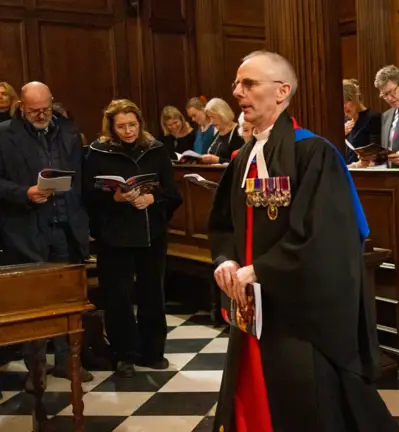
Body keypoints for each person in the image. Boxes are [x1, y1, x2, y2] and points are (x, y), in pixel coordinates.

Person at [209, 50, 399, 432]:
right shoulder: (244, 156)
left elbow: (325, 236)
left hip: (298, 314)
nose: (237, 92)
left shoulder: (313, 152)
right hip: (252, 306)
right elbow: (224, 224)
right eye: (236, 84)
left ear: (282, 92)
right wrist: (227, 261)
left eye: (248, 84)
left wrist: (261, 270)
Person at [0, 81, 93, 387]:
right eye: (34, 110)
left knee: (67, 300)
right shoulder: (4, 135)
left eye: (46, 109)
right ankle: (36, 369)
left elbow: (79, 177)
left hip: (65, 227)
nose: (41, 115)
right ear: (21, 107)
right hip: (26, 232)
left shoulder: (66, 131)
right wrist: (24, 192)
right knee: (34, 306)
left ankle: (68, 363)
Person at [83, 99, 182, 378]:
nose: (128, 131)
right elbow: (87, 195)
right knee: (118, 296)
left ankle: (152, 351)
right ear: (111, 129)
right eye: (122, 126)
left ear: (140, 124)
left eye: (133, 125)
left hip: (151, 231)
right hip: (114, 234)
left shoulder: (156, 150)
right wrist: (113, 197)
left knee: (152, 293)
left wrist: (153, 197)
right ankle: (124, 353)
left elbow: (174, 193)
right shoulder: (97, 152)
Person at [342, 79, 381, 166]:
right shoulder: (345, 121)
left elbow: (374, 154)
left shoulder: (373, 117)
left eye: (345, 102)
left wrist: (354, 166)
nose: (344, 107)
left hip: (365, 173)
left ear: (355, 98)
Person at [201, 97, 244, 164]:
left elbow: (239, 163)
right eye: (209, 117)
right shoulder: (217, 134)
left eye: (213, 117)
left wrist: (218, 160)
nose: (211, 121)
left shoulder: (238, 132)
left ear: (222, 114)